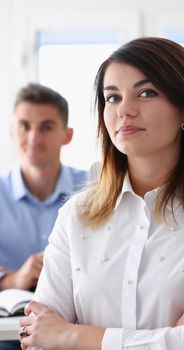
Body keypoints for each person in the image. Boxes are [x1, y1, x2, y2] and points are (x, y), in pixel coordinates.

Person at [19, 37, 184, 350]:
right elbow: (37, 339)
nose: (125, 111)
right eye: (113, 97)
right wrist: (170, 336)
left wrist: (70, 335)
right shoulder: (75, 216)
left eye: (146, 93)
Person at [0, 83, 87, 350]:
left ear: (67, 135)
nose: (34, 138)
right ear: (13, 131)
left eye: (46, 127)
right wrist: (14, 279)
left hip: (75, 324)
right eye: (25, 126)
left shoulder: (94, 191)